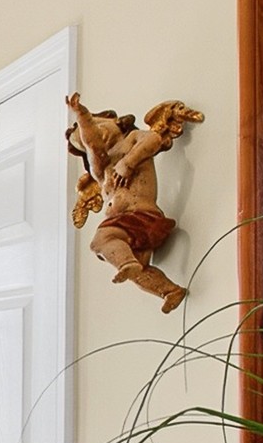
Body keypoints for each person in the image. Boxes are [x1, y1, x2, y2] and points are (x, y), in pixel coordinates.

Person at [66, 93, 203, 313]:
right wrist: (82, 119)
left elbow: (154, 139)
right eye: (81, 142)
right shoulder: (101, 171)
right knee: (141, 270)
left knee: (100, 241)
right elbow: (92, 142)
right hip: (128, 229)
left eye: (98, 124)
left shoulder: (130, 143)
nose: (92, 138)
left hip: (141, 217)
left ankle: (127, 264)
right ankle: (170, 290)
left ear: (117, 123)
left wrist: (128, 163)